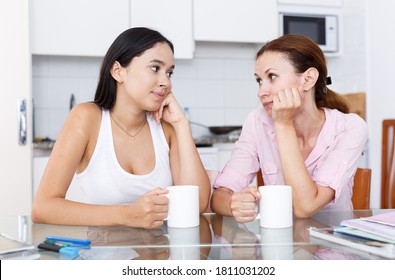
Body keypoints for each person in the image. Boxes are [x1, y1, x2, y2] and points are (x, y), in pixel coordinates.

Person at [32, 27, 211, 229]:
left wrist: (181, 124)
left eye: (169, 72)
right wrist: (128, 214)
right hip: (104, 257)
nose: (165, 82)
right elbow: (43, 207)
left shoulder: (167, 128)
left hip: (159, 256)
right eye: (155, 68)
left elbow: (198, 204)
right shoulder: (86, 118)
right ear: (118, 72)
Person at [211, 34, 368, 222]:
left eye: (272, 77)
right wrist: (233, 204)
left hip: (333, 246)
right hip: (279, 244)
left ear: (308, 79)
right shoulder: (257, 121)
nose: (261, 92)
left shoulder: (350, 127)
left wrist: (283, 124)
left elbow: (305, 207)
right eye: (259, 80)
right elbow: (219, 196)